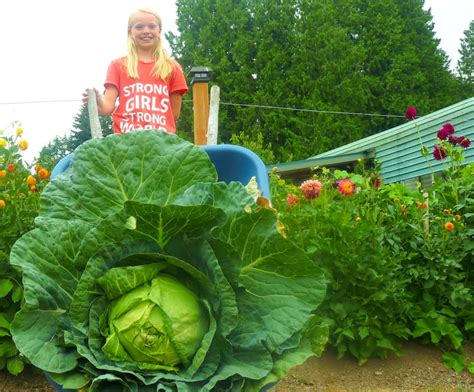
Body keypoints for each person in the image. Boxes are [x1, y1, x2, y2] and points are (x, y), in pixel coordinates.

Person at [83, 8, 188, 135]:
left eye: (151, 26)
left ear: (159, 30)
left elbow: (174, 114)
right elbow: (107, 107)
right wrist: (98, 100)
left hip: (161, 142)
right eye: (139, 27)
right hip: (126, 141)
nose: (146, 31)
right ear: (130, 31)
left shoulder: (172, 67)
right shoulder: (118, 65)